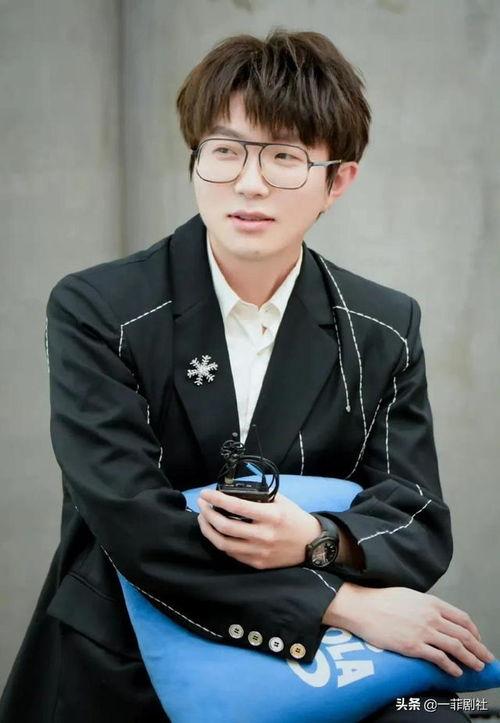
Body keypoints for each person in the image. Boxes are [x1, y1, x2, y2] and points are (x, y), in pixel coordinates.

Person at [0, 29, 493, 723]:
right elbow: (135, 523)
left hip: (309, 674)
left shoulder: (382, 326)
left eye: (285, 156)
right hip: (121, 665)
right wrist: (338, 598)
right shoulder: (100, 309)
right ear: (195, 160)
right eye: (225, 150)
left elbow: (416, 517)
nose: (250, 182)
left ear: (337, 181)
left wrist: (316, 536)